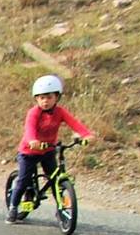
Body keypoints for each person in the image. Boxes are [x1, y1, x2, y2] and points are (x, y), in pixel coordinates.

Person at [5, 74, 95, 224]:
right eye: (41, 98)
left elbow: (74, 124)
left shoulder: (60, 112)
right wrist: (33, 140)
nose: (45, 101)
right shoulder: (34, 113)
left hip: (48, 150)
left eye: (49, 97)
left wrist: (86, 135)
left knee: (55, 180)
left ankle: (61, 208)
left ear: (57, 97)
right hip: (29, 152)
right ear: (36, 99)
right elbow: (29, 129)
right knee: (23, 180)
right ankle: (13, 207)